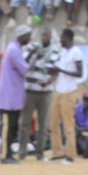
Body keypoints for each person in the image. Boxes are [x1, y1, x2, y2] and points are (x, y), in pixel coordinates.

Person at [0, 25, 38, 164]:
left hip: (13, 95)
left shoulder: (15, 48)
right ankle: (4, 155)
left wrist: (30, 55)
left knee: (12, 126)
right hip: (8, 96)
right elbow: (25, 69)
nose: (29, 39)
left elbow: (21, 65)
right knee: (7, 127)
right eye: (28, 36)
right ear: (22, 36)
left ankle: (8, 154)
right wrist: (35, 57)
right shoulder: (13, 50)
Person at [19, 28, 59, 161]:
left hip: (45, 91)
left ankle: (40, 152)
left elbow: (55, 72)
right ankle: (22, 151)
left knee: (43, 124)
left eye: (47, 35)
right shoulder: (32, 47)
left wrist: (47, 81)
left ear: (50, 37)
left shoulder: (55, 52)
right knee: (25, 122)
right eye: (43, 35)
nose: (44, 37)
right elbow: (23, 64)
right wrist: (35, 55)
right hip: (30, 89)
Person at [47, 27, 83, 163]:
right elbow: (58, 72)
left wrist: (60, 70)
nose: (60, 40)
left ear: (68, 38)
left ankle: (71, 155)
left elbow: (80, 73)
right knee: (53, 123)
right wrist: (49, 76)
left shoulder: (76, 52)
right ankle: (57, 153)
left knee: (68, 124)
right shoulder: (62, 53)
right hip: (59, 90)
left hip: (69, 91)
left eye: (62, 37)